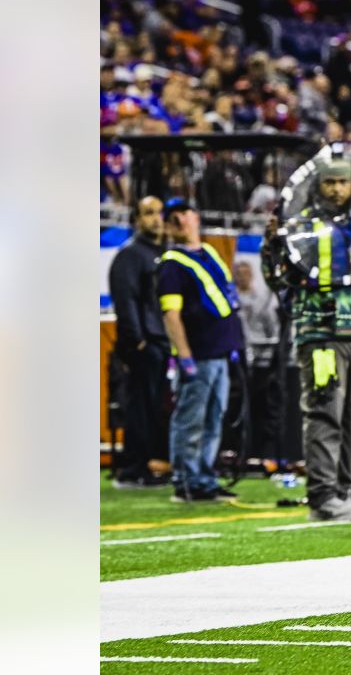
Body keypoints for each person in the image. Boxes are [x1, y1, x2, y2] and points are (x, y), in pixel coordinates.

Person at [262, 158, 351, 521]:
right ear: (317, 186)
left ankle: (344, 492)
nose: (335, 189)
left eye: (341, 182)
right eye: (329, 182)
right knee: (324, 413)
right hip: (320, 337)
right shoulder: (296, 228)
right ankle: (322, 497)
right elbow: (276, 279)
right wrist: (271, 245)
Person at [156, 198, 243, 503]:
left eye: (186, 213)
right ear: (168, 225)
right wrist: (185, 356)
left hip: (220, 351)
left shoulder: (208, 252)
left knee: (213, 418)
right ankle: (186, 480)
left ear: (196, 217)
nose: (182, 220)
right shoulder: (170, 265)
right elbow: (171, 315)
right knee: (191, 419)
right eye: (175, 216)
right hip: (199, 354)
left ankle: (204, 477)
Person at [108, 196, 171, 488]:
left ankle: (146, 464)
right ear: (136, 220)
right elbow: (126, 300)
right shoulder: (131, 255)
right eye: (149, 213)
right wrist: (137, 340)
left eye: (159, 213)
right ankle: (133, 469)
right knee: (140, 406)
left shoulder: (164, 254)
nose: (156, 219)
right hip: (146, 343)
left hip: (162, 342)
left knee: (154, 407)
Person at [233, 261, 285, 464]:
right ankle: (241, 449)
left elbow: (272, 327)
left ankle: (265, 451)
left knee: (265, 406)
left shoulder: (263, 300)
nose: (243, 276)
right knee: (240, 406)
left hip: (262, 360)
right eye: (239, 273)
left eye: (246, 272)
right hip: (238, 358)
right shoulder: (231, 298)